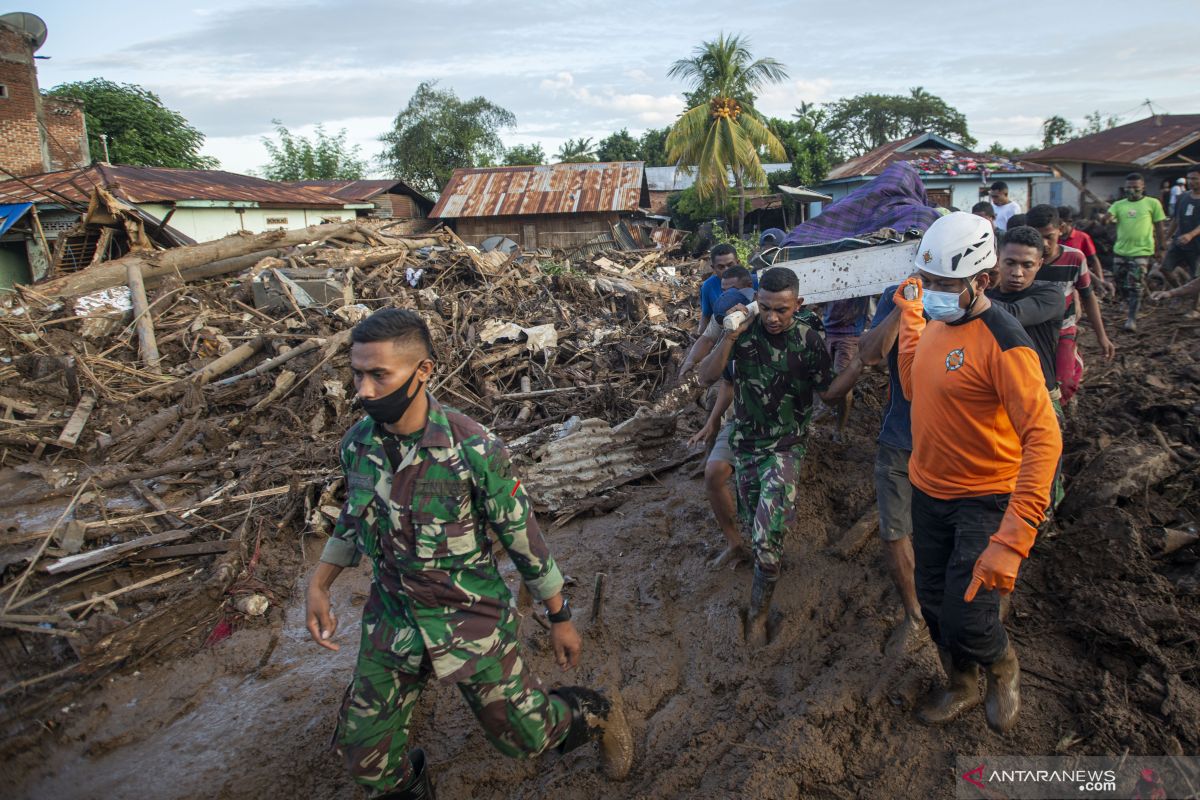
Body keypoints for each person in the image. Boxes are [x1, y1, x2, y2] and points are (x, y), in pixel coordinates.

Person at [307, 308, 633, 798]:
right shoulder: (357, 446)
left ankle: (596, 712)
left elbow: (524, 536)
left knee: (527, 738)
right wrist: (320, 583)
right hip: (393, 621)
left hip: (469, 619)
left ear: (422, 372)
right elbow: (354, 521)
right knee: (365, 758)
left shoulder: (472, 448)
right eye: (357, 374)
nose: (365, 391)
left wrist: (560, 615)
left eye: (379, 375)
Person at [894, 212, 1061, 734]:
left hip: (985, 497)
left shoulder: (1007, 343)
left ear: (980, 281)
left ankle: (1003, 665)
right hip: (929, 490)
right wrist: (910, 322)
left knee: (970, 614)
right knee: (933, 603)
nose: (934, 293)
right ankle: (961, 682)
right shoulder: (939, 319)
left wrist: (1013, 537)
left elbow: (1044, 437)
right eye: (929, 283)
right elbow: (913, 388)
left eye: (945, 285)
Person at [698, 267, 860, 648]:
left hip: (786, 448)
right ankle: (757, 564)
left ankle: (759, 613)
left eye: (782, 310)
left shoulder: (808, 340)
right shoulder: (744, 333)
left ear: (797, 305)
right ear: (758, 302)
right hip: (746, 444)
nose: (773, 317)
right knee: (755, 529)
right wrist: (729, 335)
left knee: (767, 540)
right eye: (767, 308)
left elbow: (830, 394)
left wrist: (857, 366)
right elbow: (709, 377)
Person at [688, 288, 757, 571]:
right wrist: (713, 421)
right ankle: (735, 543)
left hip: (776, 421)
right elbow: (723, 383)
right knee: (714, 473)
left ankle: (765, 542)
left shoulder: (773, 328)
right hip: (741, 417)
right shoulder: (732, 341)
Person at [1026, 204, 1115, 403]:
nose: (1045, 244)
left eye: (1050, 236)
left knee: (1065, 384)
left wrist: (1102, 336)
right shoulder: (1023, 260)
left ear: (1061, 229)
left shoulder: (1074, 258)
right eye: (1038, 237)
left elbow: (1088, 296)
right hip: (1030, 330)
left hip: (1063, 329)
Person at [1107, 172, 1168, 331]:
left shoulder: (1152, 203)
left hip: (1141, 251)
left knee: (1135, 284)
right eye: (1129, 187)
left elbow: (1160, 227)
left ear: (1143, 187)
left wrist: (1161, 247)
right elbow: (1109, 216)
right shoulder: (1119, 205)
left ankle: (1131, 318)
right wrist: (1104, 218)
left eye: (1135, 187)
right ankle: (1129, 303)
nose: (1132, 190)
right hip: (1120, 250)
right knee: (1120, 281)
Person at [1058, 205, 1111, 296]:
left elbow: (1093, 260)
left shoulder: (1082, 237)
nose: (1058, 228)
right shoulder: (1054, 239)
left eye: (1060, 224)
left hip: (1079, 281)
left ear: (1069, 222)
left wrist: (1100, 280)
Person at [1162, 170, 1200, 286]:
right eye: (1188, 178)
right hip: (1179, 242)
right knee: (1164, 268)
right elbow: (1175, 220)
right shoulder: (1183, 197)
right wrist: (1166, 238)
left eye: (1194, 179)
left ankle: (1195, 304)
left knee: (1196, 278)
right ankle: (1178, 290)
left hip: (1197, 245)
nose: (1190, 182)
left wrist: (1191, 234)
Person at [697, 243, 740, 335]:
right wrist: (700, 336)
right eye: (721, 267)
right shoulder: (708, 286)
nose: (726, 270)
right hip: (725, 336)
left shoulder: (755, 281)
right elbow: (706, 315)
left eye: (730, 265)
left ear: (738, 263)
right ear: (713, 268)